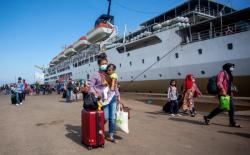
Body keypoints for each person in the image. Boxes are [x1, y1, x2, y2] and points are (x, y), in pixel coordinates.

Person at [88, 53, 120, 143]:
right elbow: (91, 86)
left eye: (106, 63)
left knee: (112, 117)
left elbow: (115, 85)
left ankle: (110, 135)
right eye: (102, 64)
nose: (104, 65)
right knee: (105, 117)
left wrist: (118, 95)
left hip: (112, 97)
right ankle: (98, 130)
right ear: (99, 65)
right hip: (103, 99)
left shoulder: (109, 73)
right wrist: (95, 94)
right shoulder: (95, 75)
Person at [204, 63, 240, 127]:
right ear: (227, 67)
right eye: (231, 67)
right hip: (223, 92)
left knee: (231, 108)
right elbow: (219, 82)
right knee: (223, 107)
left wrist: (234, 88)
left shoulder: (229, 74)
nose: (233, 68)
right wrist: (222, 89)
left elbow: (228, 83)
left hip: (229, 92)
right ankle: (208, 117)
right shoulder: (222, 73)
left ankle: (232, 122)